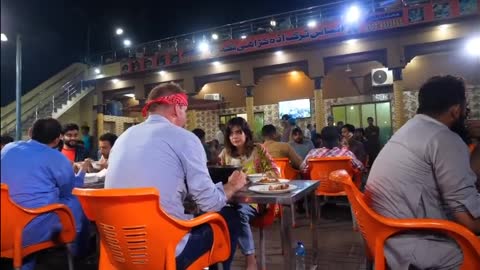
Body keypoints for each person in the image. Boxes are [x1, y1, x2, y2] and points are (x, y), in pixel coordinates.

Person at [105, 83, 246, 270]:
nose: (186, 118)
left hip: (119, 251)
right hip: (165, 253)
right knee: (230, 217)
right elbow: (209, 203)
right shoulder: (185, 138)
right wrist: (232, 186)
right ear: (177, 108)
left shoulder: (123, 137)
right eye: (185, 111)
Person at [366, 76, 480, 270]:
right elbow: (471, 222)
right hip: (417, 246)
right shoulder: (444, 138)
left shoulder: (410, 130)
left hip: (385, 238)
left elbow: (465, 173)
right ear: (456, 110)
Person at [1, 118, 90, 270]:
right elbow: (68, 190)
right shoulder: (57, 158)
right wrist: (81, 173)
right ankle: (78, 252)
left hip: (4, 223)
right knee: (73, 200)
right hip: (29, 230)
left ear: (30, 133)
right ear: (57, 140)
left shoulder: (8, 148)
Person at [219, 117, 279, 270]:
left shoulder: (258, 149)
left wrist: (257, 178)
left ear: (246, 133)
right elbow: (218, 176)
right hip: (229, 199)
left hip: (253, 201)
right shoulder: (225, 154)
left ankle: (250, 259)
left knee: (238, 214)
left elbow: (274, 171)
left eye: (239, 132)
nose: (235, 136)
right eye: (231, 133)